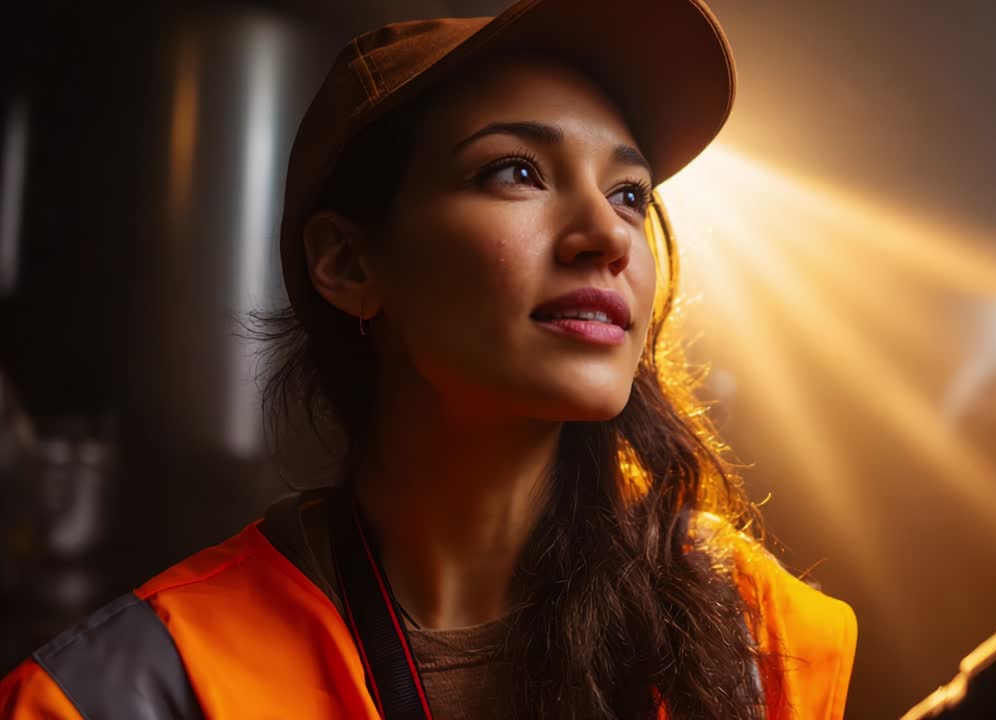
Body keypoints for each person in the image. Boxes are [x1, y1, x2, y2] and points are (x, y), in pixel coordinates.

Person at [0, 0, 856, 717]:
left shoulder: (756, 635)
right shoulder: (127, 695)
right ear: (350, 264)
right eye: (517, 171)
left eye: (629, 193)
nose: (605, 236)